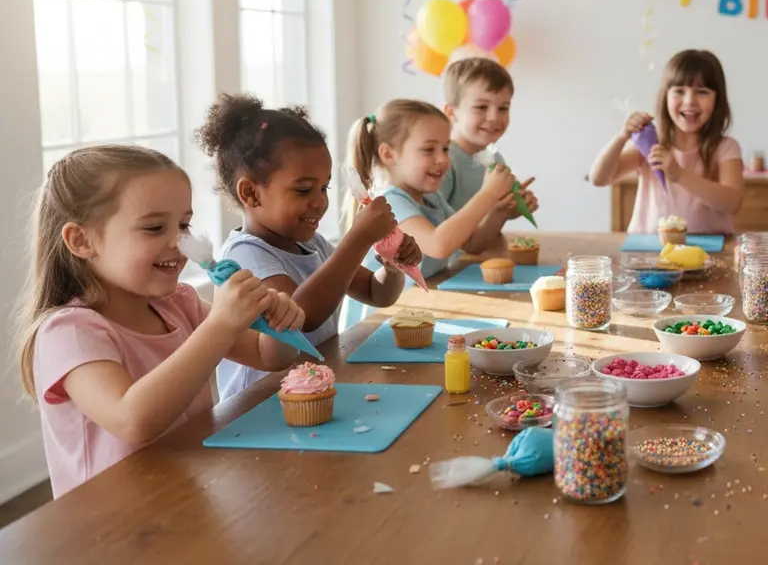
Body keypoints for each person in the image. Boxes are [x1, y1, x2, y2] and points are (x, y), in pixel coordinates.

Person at [16, 145, 305, 498]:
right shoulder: (70, 333)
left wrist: (277, 320)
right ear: (81, 240)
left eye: (184, 224)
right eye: (154, 228)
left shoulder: (179, 303)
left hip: (187, 498)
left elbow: (269, 357)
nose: (178, 242)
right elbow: (133, 420)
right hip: (112, 532)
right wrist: (220, 325)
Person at [195, 94, 418, 401]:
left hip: (314, 392)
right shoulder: (246, 255)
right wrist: (358, 238)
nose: (320, 201)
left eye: (324, 187)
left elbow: (377, 293)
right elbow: (300, 317)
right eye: (303, 189)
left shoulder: (310, 243)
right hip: (260, 407)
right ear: (250, 193)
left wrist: (391, 266)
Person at [343, 99, 516, 325]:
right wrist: (488, 195)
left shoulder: (432, 198)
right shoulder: (388, 202)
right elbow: (438, 245)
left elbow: (472, 243)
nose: (443, 159)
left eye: (446, 148)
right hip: (378, 326)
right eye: (428, 149)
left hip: (418, 312)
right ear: (388, 155)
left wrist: (499, 212)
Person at [589, 49, 744, 233]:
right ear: (666, 97)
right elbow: (598, 178)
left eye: (702, 92)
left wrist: (679, 174)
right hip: (650, 252)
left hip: (710, 255)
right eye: (679, 91)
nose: (690, 101)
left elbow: (732, 202)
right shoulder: (651, 144)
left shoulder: (725, 148)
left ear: (718, 100)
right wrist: (622, 137)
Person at [438, 58, 539, 228]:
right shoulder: (442, 163)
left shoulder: (495, 160)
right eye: (481, 107)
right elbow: (437, 235)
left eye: (503, 108)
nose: (494, 117)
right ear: (451, 113)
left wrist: (508, 210)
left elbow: (478, 240)